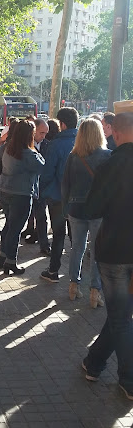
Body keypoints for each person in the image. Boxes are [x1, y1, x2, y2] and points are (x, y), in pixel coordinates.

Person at [81, 112, 133, 400]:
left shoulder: (111, 165)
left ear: (117, 133)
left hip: (114, 251)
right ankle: (95, 362)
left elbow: (92, 209)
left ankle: (128, 379)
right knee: (121, 314)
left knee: (121, 317)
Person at [61, 118, 111, 307]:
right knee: (97, 251)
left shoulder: (73, 156)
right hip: (98, 210)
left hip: (76, 208)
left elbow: (65, 185)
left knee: (77, 248)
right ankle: (95, 291)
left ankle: (74, 286)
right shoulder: (107, 156)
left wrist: (66, 207)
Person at [0, 120, 45, 275]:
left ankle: (3, 255)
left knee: (9, 225)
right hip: (21, 194)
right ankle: (11, 262)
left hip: (4, 190)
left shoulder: (7, 149)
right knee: (15, 229)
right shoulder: (30, 154)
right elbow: (42, 166)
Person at [40, 107, 78, 283]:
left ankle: (53, 270)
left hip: (58, 197)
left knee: (58, 235)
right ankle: (76, 276)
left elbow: (48, 173)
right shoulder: (85, 142)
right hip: (79, 199)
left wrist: (43, 191)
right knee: (77, 237)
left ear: (62, 124)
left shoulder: (56, 144)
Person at [24, 118, 51, 256]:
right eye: (41, 133)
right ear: (34, 131)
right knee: (27, 214)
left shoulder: (48, 145)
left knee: (41, 217)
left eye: (46, 133)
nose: (43, 136)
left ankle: (44, 244)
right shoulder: (24, 145)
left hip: (41, 188)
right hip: (26, 187)